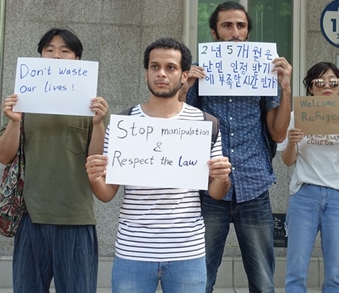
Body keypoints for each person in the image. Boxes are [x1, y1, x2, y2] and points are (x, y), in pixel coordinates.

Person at [86, 37, 232, 293]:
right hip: (133, 250)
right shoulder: (123, 123)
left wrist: (222, 177)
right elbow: (107, 194)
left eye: (170, 67)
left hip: (187, 250)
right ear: (146, 74)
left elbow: (216, 193)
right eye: (155, 67)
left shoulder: (205, 123)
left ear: (184, 76)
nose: (161, 73)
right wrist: (95, 177)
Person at [182, 1, 292, 293]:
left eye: (241, 26)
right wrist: (185, 85)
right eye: (227, 26)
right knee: (199, 277)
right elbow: (178, 126)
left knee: (263, 281)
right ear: (214, 33)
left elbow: (278, 134)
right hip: (208, 187)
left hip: (254, 185)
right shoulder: (199, 74)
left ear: (248, 32)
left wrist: (286, 88)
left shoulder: (263, 71)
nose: (234, 32)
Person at [0, 28, 108, 293]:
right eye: (49, 50)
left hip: (76, 218)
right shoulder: (22, 101)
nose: (56, 56)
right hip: (30, 217)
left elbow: (97, 161)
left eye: (65, 51)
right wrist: (14, 121)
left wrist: (99, 123)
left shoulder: (93, 106)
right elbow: (3, 155)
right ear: (40, 57)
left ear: (77, 60)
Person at [282, 62, 339, 293]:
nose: (327, 86)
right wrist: (292, 142)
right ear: (310, 87)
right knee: (296, 270)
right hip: (304, 193)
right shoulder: (297, 117)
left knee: (336, 273)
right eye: (320, 82)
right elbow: (288, 161)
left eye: (333, 82)